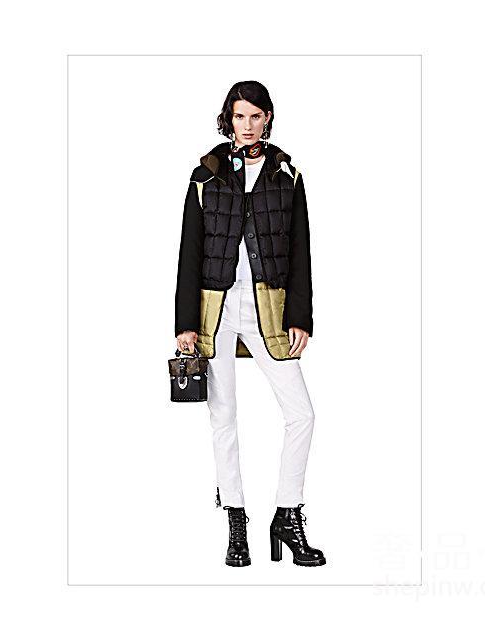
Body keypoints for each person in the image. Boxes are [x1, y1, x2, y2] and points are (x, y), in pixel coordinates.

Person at [174, 80, 326, 567]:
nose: (248, 125)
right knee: (223, 415)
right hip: (214, 308)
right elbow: (189, 250)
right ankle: (236, 522)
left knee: (301, 413)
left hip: (269, 307)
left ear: (267, 119)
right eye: (240, 116)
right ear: (229, 119)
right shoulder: (206, 175)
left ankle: (287, 514)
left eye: (256, 116)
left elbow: (301, 250)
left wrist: (300, 316)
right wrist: (185, 322)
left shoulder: (287, 175)